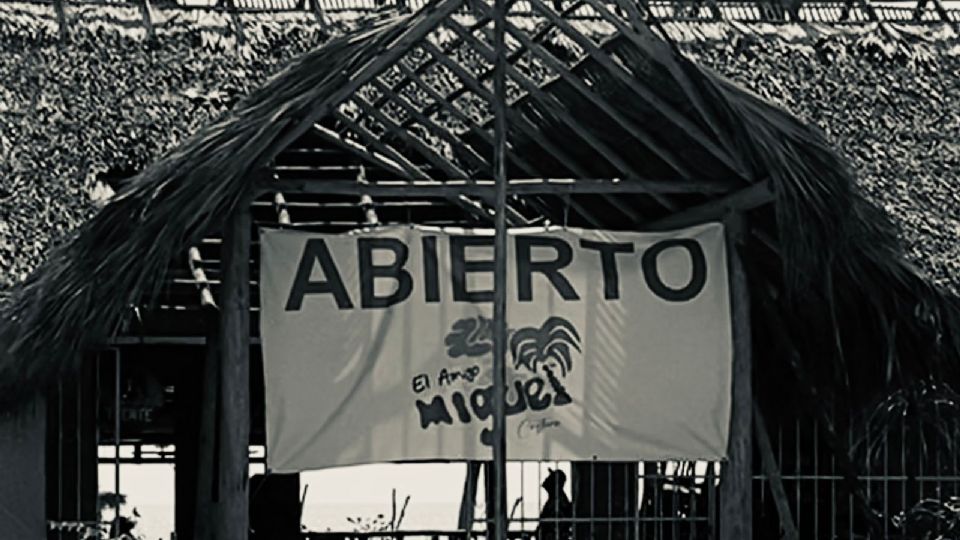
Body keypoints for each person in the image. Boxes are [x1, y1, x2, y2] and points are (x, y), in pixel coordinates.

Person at [536, 469, 573, 540]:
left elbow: (556, 527)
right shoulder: (556, 500)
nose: (546, 479)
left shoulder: (558, 502)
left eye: (550, 477)